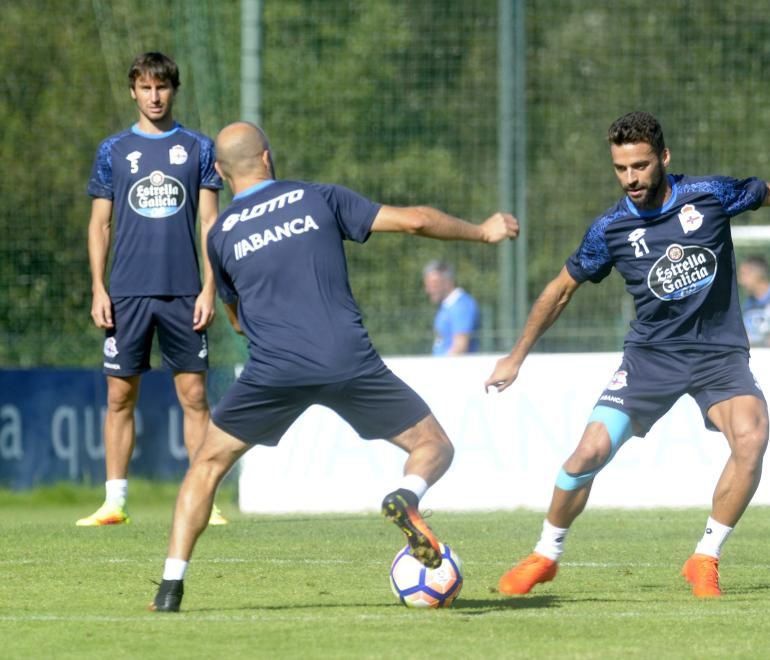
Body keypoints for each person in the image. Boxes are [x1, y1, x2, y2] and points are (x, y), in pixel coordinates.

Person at [485, 110, 770, 599]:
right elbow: (559, 291)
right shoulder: (611, 229)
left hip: (719, 357)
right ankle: (545, 554)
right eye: (621, 169)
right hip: (650, 360)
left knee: (752, 438)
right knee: (587, 454)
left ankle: (705, 557)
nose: (631, 179)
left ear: (663, 158)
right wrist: (517, 355)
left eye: (639, 166)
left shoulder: (709, 196)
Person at [148, 121, 519, 612]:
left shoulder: (220, 237)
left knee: (207, 465)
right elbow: (415, 221)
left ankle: (170, 589)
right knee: (434, 446)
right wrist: (482, 231)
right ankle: (408, 496)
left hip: (274, 369)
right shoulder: (317, 197)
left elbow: (235, 319)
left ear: (219, 170)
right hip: (346, 358)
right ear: (268, 157)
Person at [81, 52, 228, 527]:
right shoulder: (113, 150)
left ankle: (207, 498)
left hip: (185, 292)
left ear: (173, 90)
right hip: (126, 294)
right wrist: (98, 289)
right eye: (145, 88)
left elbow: (210, 223)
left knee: (194, 397)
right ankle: (114, 502)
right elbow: (100, 225)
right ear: (133, 92)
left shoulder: (198, 147)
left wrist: (209, 288)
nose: (154, 96)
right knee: (120, 397)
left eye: (161, 88)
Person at [423, 260, 480, 355]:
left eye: (433, 285)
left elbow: (460, 346)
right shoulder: (447, 306)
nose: (428, 290)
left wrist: (443, 368)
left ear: (447, 282)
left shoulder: (461, 306)